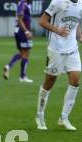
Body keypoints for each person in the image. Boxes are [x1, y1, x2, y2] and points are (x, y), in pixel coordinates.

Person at [35, 0, 82, 131]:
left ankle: (64, 118)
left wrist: (79, 34)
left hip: (72, 49)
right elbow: (42, 21)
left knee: (75, 81)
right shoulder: (58, 2)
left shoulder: (80, 4)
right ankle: (39, 116)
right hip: (56, 49)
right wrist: (57, 30)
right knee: (49, 82)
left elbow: (77, 22)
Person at [3, 0, 34, 83]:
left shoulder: (24, 3)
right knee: (26, 54)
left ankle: (8, 66)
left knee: (21, 53)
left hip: (19, 31)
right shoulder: (23, 3)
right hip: (22, 32)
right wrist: (26, 31)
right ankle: (22, 77)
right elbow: (20, 19)